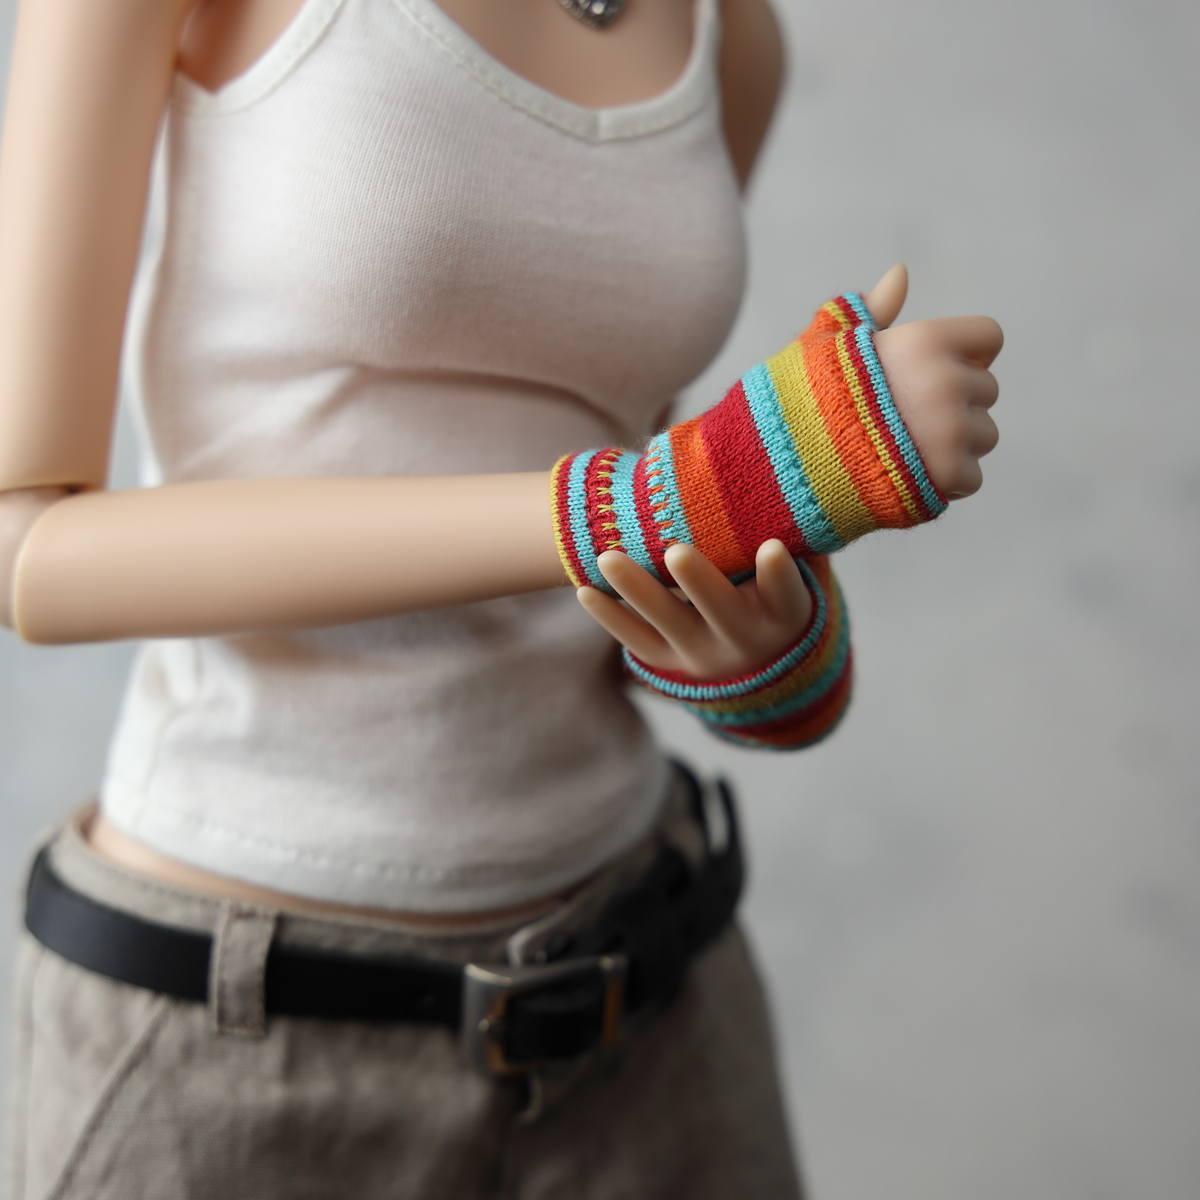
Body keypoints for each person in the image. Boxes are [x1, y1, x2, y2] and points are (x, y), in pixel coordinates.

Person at [0, 0, 1001, 1193]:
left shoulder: (729, 35)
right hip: (240, 1036)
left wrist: (757, 638)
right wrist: (648, 506)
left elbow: (633, 500)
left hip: (653, 1010)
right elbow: (30, 550)